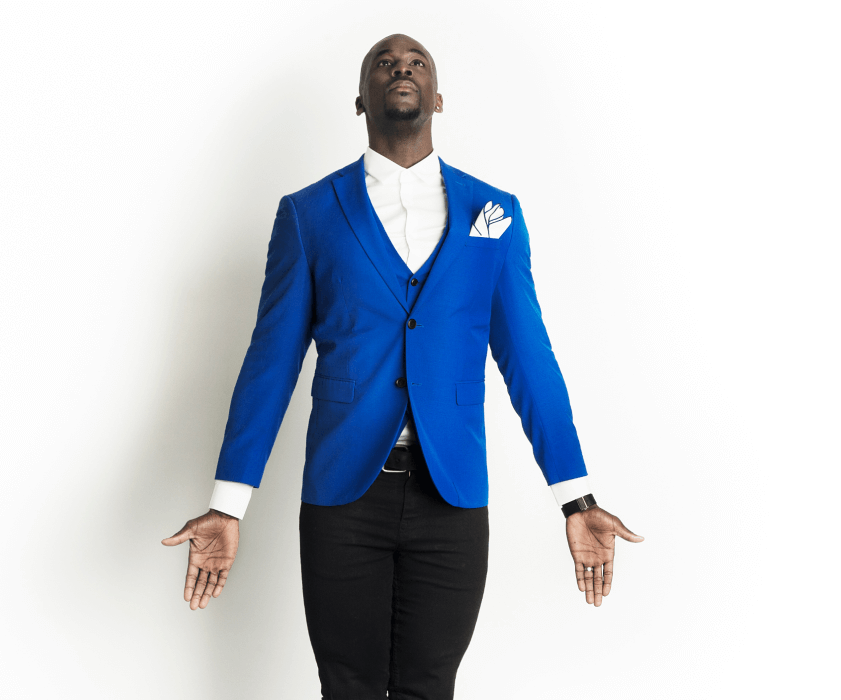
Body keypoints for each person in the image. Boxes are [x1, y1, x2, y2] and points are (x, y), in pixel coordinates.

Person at [163, 33, 643, 699]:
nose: (401, 68)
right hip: (342, 498)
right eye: (384, 64)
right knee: (348, 687)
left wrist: (576, 497)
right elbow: (269, 363)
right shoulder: (308, 215)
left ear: (438, 98)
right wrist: (227, 504)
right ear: (361, 99)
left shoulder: (494, 214)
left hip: (452, 497)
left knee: (429, 686)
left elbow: (530, 361)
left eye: (417, 63)